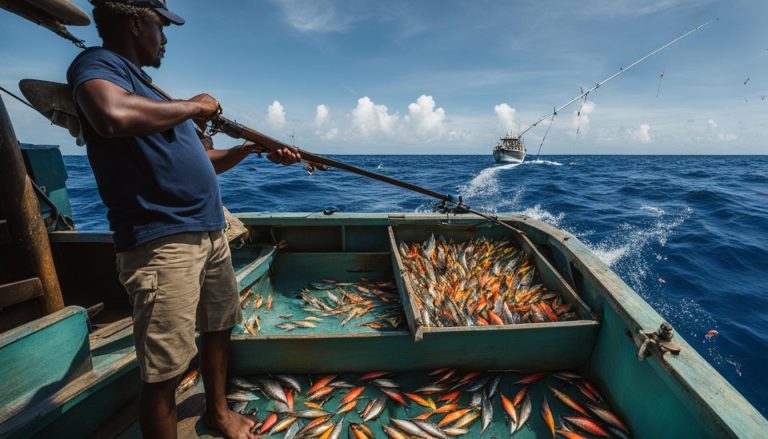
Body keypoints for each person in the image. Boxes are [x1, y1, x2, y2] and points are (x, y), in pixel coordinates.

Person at [66, 1, 300, 438]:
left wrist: (249, 150)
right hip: (162, 239)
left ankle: (217, 412)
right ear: (136, 22)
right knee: (164, 370)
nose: (166, 38)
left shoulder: (152, 93)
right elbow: (111, 117)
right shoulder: (96, 64)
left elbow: (205, 162)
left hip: (209, 230)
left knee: (218, 325)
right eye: (161, 26)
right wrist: (194, 107)